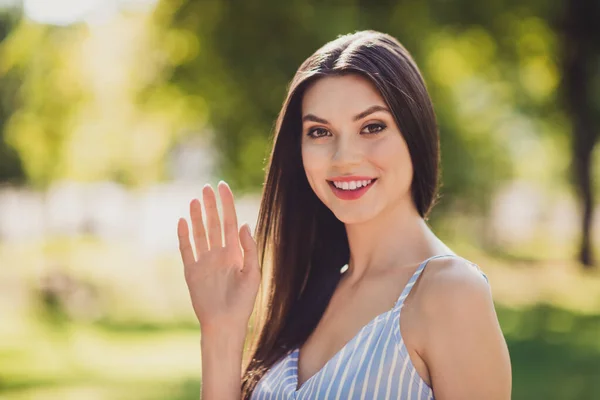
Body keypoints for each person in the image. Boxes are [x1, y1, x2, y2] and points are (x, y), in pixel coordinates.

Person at [176, 30, 512, 400]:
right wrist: (221, 331)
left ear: (414, 134)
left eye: (372, 127)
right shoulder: (311, 289)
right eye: (320, 132)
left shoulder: (450, 292)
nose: (344, 158)